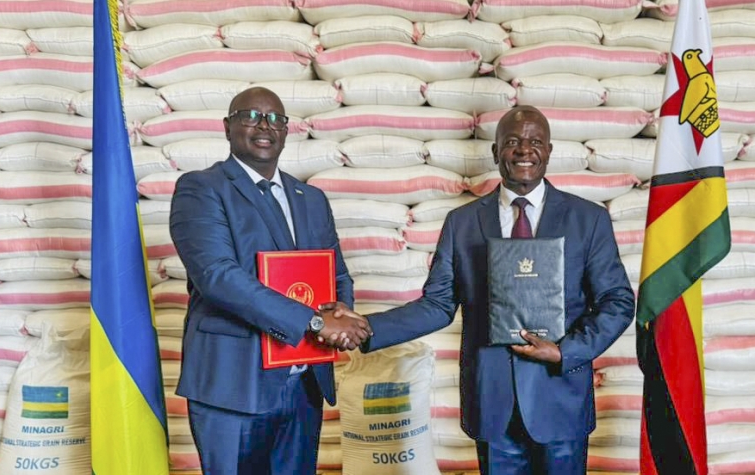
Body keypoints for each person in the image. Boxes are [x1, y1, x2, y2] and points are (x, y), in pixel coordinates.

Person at [336, 105, 635, 474]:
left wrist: (565, 352)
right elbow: (438, 304)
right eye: (512, 142)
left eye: (535, 142)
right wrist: (366, 327)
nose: (524, 150)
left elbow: (617, 302)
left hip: (560, 400)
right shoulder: (462, 223)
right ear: (496, 153)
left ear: (549, 152)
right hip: (492, 402)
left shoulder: (588, 220)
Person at [169, 86, 370, 475]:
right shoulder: (201, 188)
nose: (265, 126)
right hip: (232, 385)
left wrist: (342, 314)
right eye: (251, 116)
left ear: (286, 131)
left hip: (302, 383)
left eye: (276, 119)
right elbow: (217, 276)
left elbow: (336, 273)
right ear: (228, 126)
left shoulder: (310, 197)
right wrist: (314, 322)